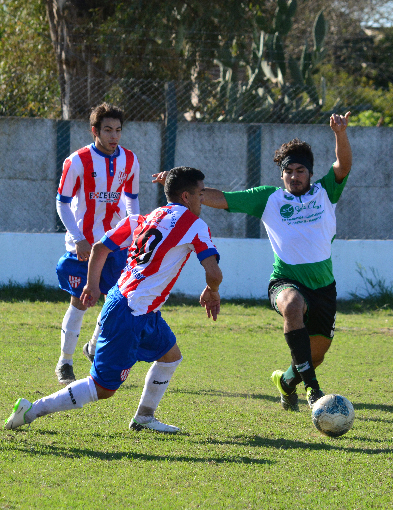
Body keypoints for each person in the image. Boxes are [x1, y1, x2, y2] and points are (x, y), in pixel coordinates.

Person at [153, 112, 352, 412]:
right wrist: (178, 185)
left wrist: (340, 134)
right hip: (286, 281)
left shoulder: (326, 192)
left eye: (300, 170)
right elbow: (223, 198)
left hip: (324, 287)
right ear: (281, 174)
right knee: (293, 306)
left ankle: (286, 382)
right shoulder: (268, 199)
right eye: (289, 171)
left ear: (310, 173)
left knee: (317, 354)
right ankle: (313, 389)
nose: (295, 176)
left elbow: (344, 165)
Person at [5, 167, 222, 433]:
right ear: (187, 197)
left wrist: (92, 285)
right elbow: (213, 272)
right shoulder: (195, 225)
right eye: (201, 193)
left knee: (170, 357)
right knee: (103, 388)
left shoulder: (145, 217)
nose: (204, 199)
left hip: (137, 306)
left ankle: (144, 418)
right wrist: (212, 290)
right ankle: (31, 409)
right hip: (130, 312)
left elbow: (99, 248)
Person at [55, 102, 140, 385]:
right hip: (83, 245)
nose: (114, 136)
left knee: (117, 300)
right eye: (107, 130)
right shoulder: (77, 161)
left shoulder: (130, 159)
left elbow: (131, 198)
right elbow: (62, 203)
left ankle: (92, 347)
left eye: (118, 130)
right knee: (80, 302)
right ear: (95, 131)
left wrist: (134, 227)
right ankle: (65, 362)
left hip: (116, 244)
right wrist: (78, 238)